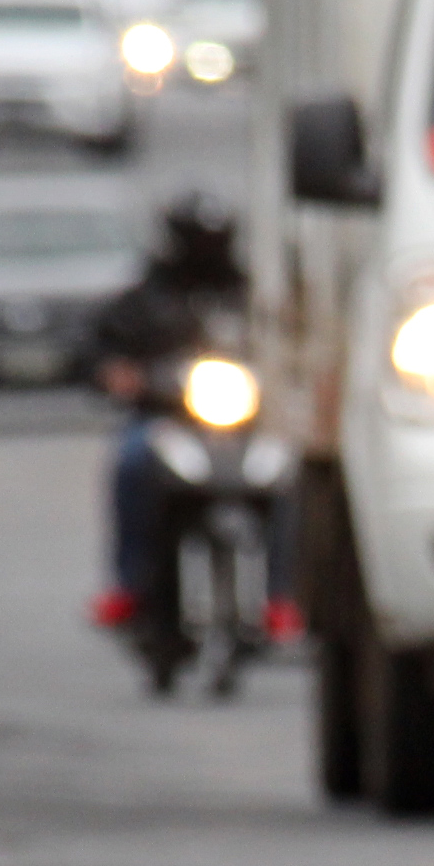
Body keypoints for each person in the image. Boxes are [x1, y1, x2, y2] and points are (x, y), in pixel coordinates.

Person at [88, 191, 298, 644]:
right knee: (130, 463)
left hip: (239, 425)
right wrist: (121, 374)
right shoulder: (146, 297)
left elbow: (284, 340)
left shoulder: (247, 294)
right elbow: (106, 349)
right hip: (165, 419)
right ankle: (128, 584)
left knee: (287, 477)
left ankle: (280, 595)